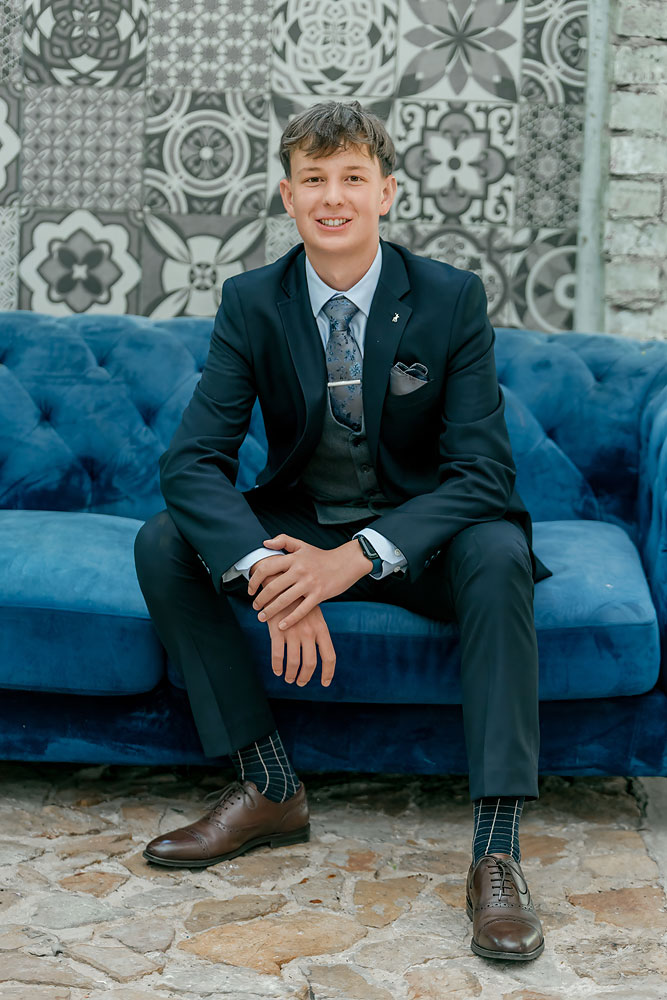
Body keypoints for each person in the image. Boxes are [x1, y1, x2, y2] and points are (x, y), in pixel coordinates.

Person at [134, 100, 551, 962]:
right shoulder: (252, 301)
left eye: (352, 178)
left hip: (422, 534)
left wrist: (350, 561)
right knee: (165, 539)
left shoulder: (449, 298)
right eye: (313, 179)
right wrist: (269, 574)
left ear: (385, 193)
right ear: (287, 197)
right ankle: (269, 786)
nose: (333, 197)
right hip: (305, 517)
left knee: (499, 549)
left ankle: (496, 851)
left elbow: (483, 474)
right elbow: (192, 463)